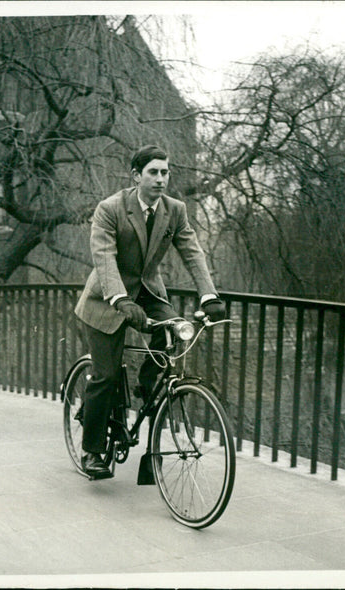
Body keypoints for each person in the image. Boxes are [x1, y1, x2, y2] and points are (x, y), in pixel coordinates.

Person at [73, 145, 226, 479]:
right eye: (153, 172)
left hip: (146, 292)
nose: (160, 179)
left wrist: (208, 296)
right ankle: (92, 452)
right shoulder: (110, 209)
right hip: (105, 299)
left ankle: (147, 384)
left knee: (173, 326)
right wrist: (120, 300)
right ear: (136, 176)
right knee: (106, 376)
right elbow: (104, 258)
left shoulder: (175, 210)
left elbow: (192, 252)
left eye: (165, 172)